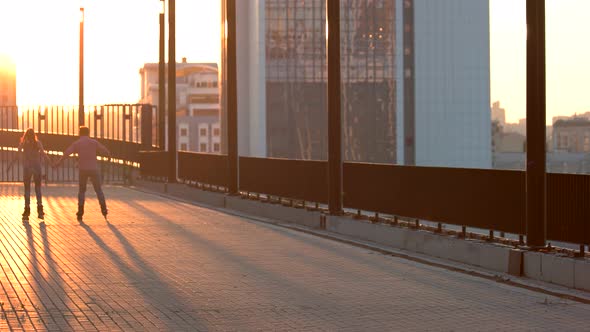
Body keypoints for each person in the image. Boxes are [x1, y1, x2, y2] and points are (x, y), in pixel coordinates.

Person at [54, 126, 111, 221]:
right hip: (94, 169)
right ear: (88, 133)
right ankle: (104, 209)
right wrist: (108, 155)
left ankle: (80, 212)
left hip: (83, 169)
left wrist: (58, 163)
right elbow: (104, 150)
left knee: (82, 191)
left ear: (80, 133)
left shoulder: (77, 143)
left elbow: (67, 153)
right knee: (98, 190)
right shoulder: (94, 142)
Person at [18, 128, 51, 219]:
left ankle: (27, 210)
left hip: (27, 167)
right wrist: (50, 161)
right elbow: (43, 153)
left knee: (27, 189)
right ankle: (40, 210)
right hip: (37, 167)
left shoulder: (24, 143)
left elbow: (19, 151)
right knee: (38, 188)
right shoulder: (38, 143)